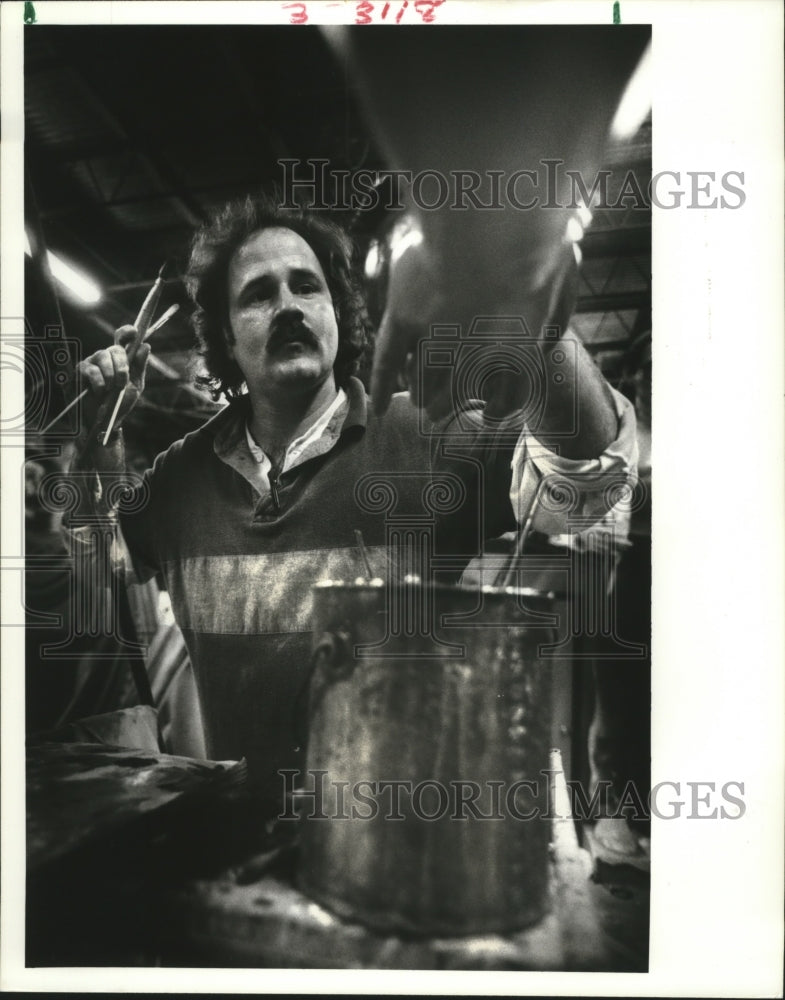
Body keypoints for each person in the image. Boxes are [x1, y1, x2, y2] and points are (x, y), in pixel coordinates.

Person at [69, 193, 637, 805]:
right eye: (259, 294)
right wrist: (97, 447)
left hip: (393, 847)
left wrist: (536, 330)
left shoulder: (428, 433)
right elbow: (97, 565)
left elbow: (588, 478)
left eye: (307, 287)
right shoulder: (181, 476)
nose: (288, 306)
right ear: (228, 341)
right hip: (244, 845)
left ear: (337, 315)